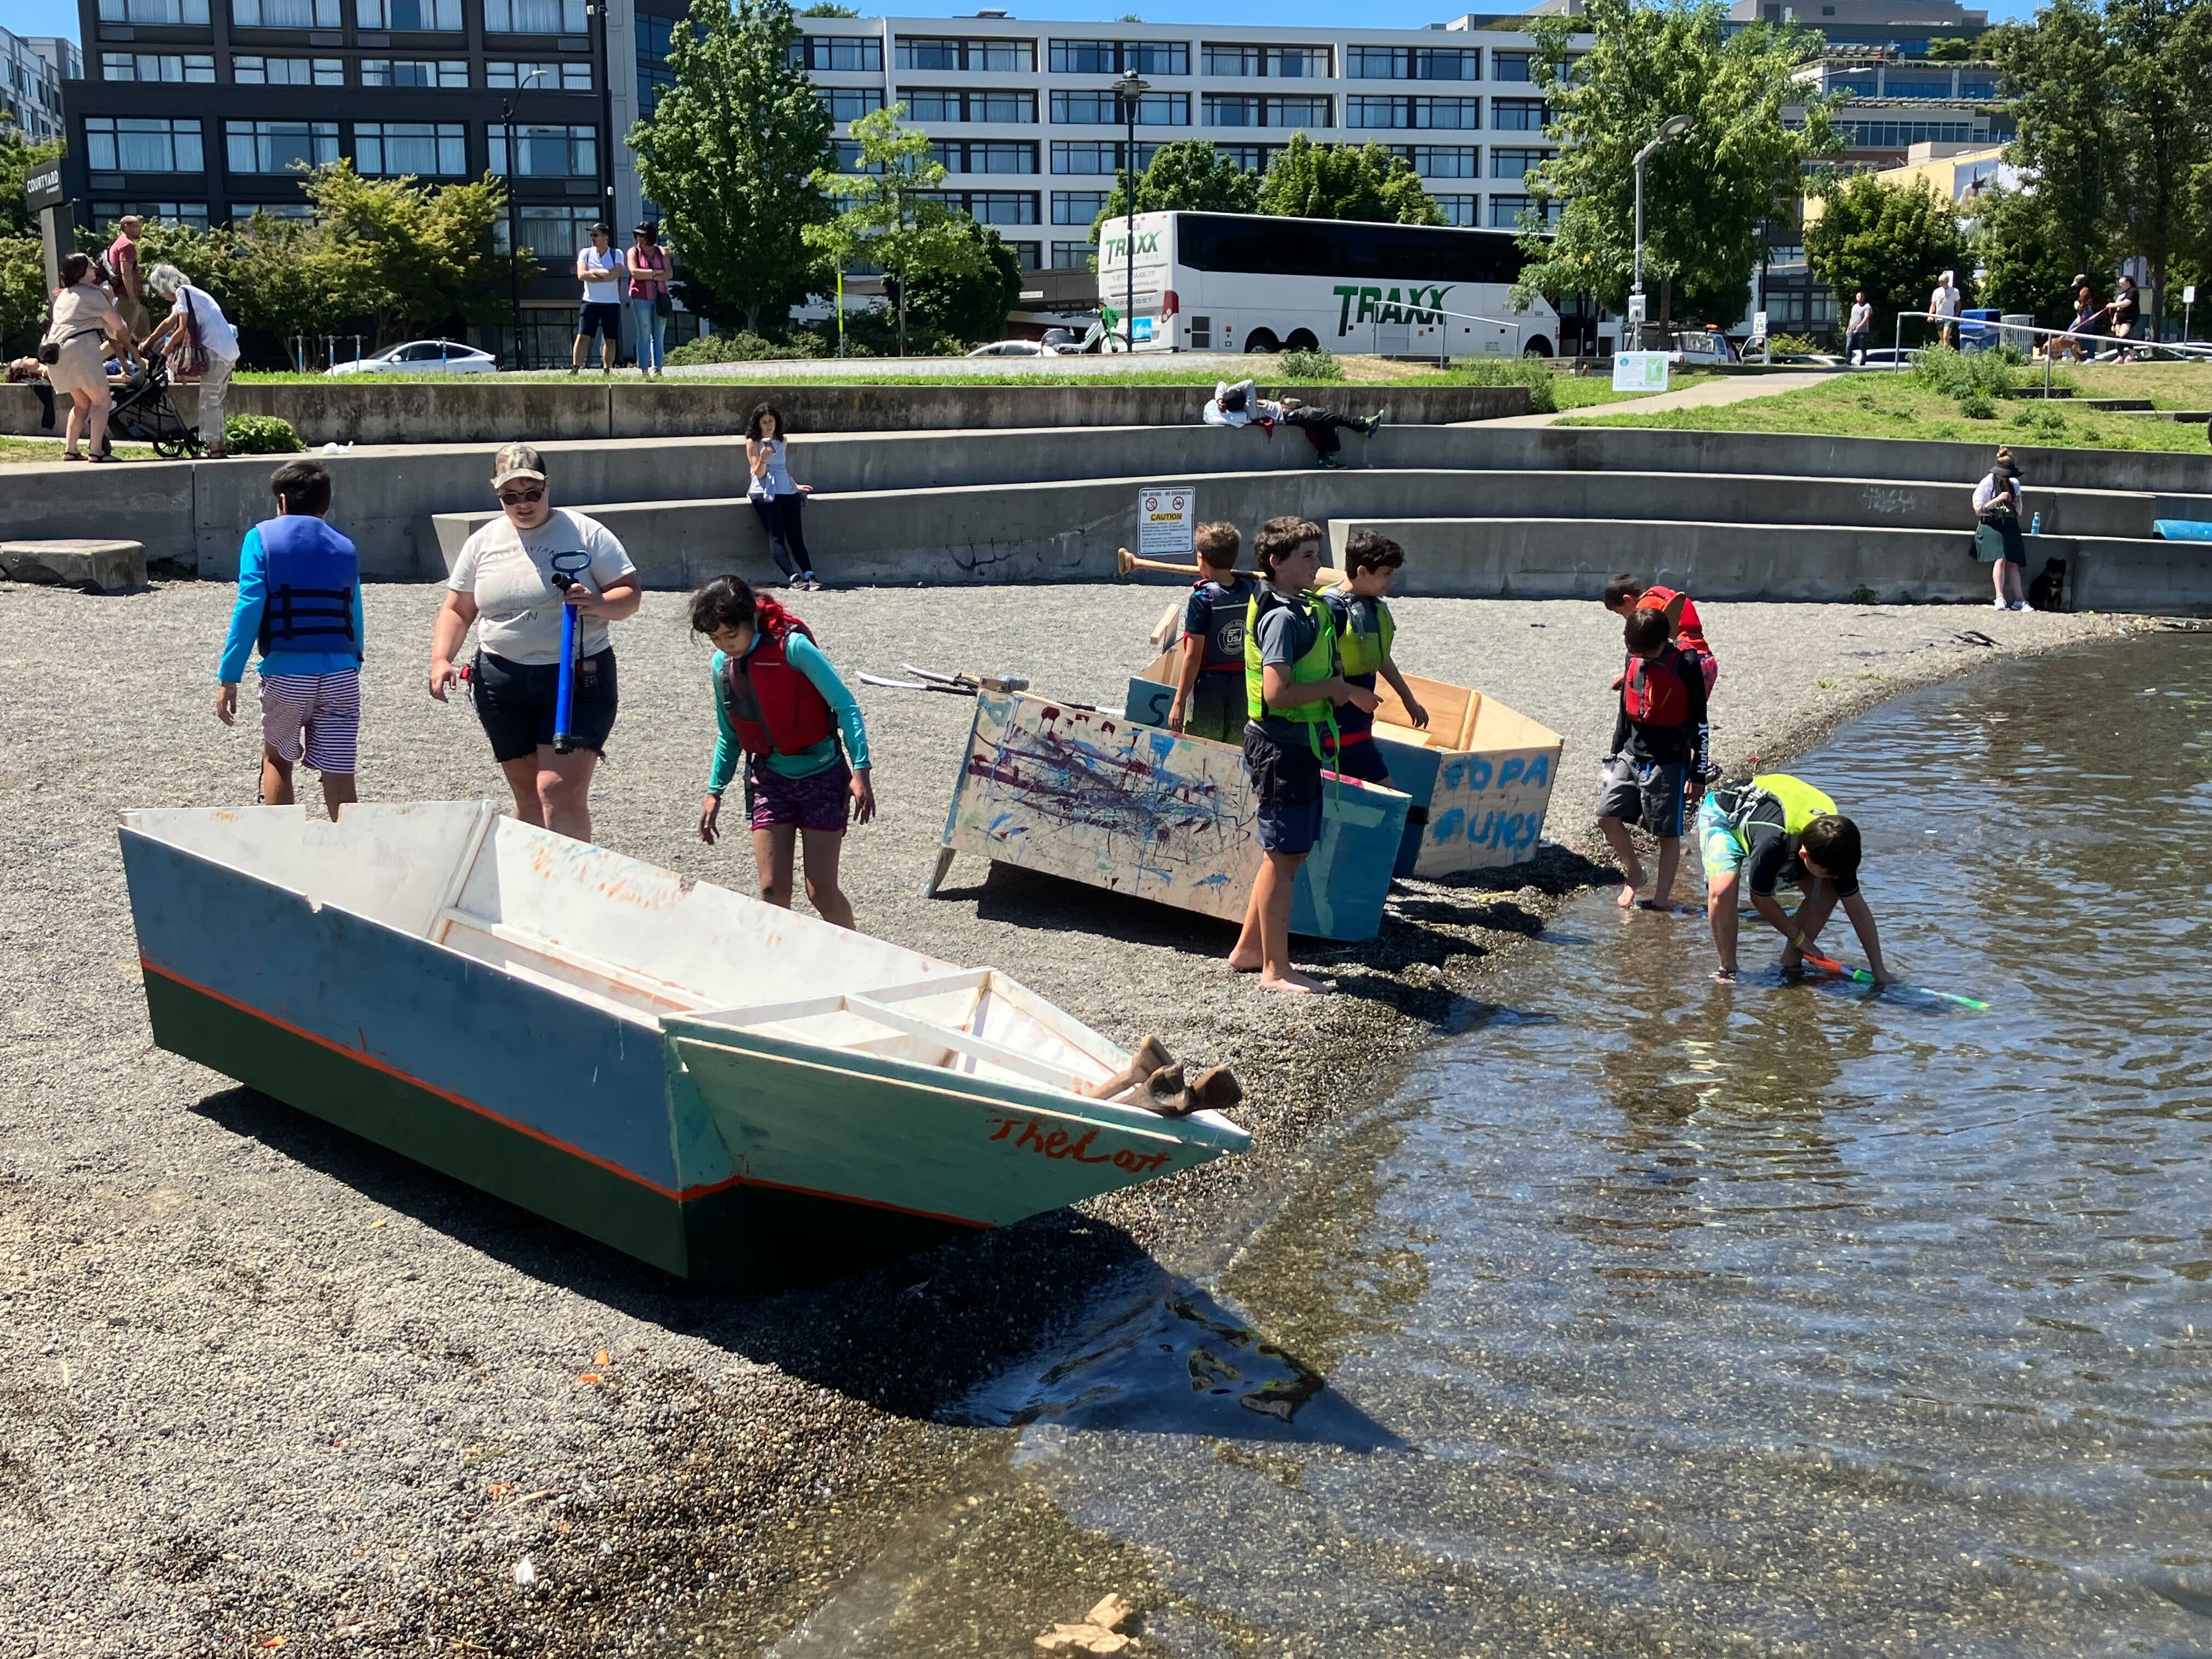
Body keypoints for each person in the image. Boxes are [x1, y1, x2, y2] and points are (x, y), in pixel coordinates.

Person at [430, 442, 641, 842]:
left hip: (577, 676)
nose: (522, 504)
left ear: (548, 488)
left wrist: (594, 603)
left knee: (557, 791)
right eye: (510, 496)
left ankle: (570, 886)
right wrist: (442, 659)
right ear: (499, 497)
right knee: (528, 796)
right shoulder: (484, 541)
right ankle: (531, 885)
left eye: (532, 493)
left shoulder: (584, 532)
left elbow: (629, 596)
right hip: (501, 680)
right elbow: (458, 609)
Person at [1227, 515, 1376, 994]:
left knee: (1287, 852)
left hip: (1296, 744)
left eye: (1318, 554)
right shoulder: (1281, 617)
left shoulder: (1301, 605)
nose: (1319, 565)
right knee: (1284, 854)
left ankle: (1250, 951)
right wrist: (1335, 687)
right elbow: (1275, 694)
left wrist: (1340, 691)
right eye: (1308, 557)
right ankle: (1276, 969)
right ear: (1276, 563)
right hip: (1279, 747)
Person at [691, 575, 876, 929]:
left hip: (821, 775)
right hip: (769, 780)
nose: (724, 646)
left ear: (750, 621)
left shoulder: (794, 649)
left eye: (730, 635)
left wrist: (860, 770)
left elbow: (846, 707)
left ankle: (855, 960)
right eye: (716, 639)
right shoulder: (722, 667)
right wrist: (714, 792)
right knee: (772, 891)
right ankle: (780, 970)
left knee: (820, 891)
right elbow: (730, 734)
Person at [213, 459, 363, 819]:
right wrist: (355, 660)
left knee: (278, 760)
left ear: (282, 500)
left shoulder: (261, 538)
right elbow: (353, 609)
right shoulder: (345, 546)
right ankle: (352, 852)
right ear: (326, 505)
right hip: (342, 673)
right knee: (339, 770)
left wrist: (229, 676)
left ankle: (283, 852)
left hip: (287, 673)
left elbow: (250, 606)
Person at [1697, 772, 1892, 986]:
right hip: (1726, 815)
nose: (1835, 878)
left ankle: (1791, 961)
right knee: (1723, 890)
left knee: (1828, 892)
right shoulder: (1772, 843)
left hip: (1784, 821)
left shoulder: (1837, 841)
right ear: (1804, 856)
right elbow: (1761, 899)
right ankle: (1728, 969)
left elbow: (1857, 908)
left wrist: (1879, 970)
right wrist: (1800, 939)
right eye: (1830, 873)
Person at [1598, 605, 1709, 912]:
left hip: (1669, 762)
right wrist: (1613, 753)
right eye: (1636, 651)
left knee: (1667, 833)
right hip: (1631, 753)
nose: (1643, 657)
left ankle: (1661, 901)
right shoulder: (1634, 655)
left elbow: (1700, 720)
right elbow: (1624, 711)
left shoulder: (1686, 663)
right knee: (1606, 816)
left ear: (1664, 640)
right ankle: (1636, 872)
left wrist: (1698, 774)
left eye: (1649, 651)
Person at [1321, 531, 1428, 786]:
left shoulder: (1371, 604)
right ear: (1363, 571)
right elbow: (1312, 669)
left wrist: (1408, 699)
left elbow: (1381, 658)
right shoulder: (1332, 610)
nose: (1391, 581)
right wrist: (1352, 693)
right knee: (1385, 792)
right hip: (1335, 726)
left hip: (1360, 724)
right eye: (1386, 573)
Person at [1167, 521, 1259, 743]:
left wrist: (1178, 701)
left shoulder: (1203, 598)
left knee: (1204, 752)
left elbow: (1193, 656)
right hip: (1243, 687)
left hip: (1209, 688)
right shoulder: (1250, 588)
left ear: (1201, 559)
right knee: (1237, 751)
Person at [41, 252, 134, 464]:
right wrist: (109, 298)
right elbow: (118, 325)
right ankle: (96, 452)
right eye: (91, 266)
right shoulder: (92, 296)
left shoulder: (64, 295)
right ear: (83, 273)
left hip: (56, 353)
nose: (95, 269)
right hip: (80, 351)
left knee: (82, 402)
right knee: (102, 401)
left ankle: (71, 450)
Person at [140, 262, 240, 459]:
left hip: (215, 351)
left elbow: (181, 327)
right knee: (215, 402)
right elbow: (169, 322)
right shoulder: (190, 294)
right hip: (227, 351)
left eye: (159, 289)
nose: (160, 294)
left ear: (165, 285)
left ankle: (214, 450)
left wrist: (166, 350)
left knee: (208, 402)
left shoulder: (183, 293)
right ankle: (219, 448)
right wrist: (150, 341)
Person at [1601, 573, 1719, 692]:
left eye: (1621, 613)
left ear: (1627, 599)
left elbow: (1641, 651)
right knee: (1693, 709)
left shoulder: (1645, 611)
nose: (1625, 618)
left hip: (1684, 665)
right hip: (1707, 662)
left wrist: (1629, 676)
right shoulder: (1660, 593)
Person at [745, 403, 819, 590]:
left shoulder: (783, 441)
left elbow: (782, 469)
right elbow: (759, 473)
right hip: (764, 492)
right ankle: (793, 577)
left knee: (796, 535)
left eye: (772, 421)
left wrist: (795, 485)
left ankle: (810, 574)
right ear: (758, 424)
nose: (769, 426)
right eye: (764, 422)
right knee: (776, 536)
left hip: (786, 490)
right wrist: (763, 458)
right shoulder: (753, 442)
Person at [1973, 445, 2030, 612]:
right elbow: (1978, 509)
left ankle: (2020, 600)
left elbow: (2019, 512)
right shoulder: (1987, 483)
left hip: (2010, 524)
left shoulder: (2014, 484)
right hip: (1991, 524)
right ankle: (2000, 597)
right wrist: (1997, 500)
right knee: (2001, 557)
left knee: (2013, 562)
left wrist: (2017, 503)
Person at [1274, 396, 1384, 470]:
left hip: (1291, 412)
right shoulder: (1259, 407)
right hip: (1290, 416)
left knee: (1328, 416)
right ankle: (1363, 426)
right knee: (1329, 417)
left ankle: (1363, 426)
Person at [571, 223, 620, 375]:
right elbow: (581, 275)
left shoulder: (616, 253)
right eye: (591, 235)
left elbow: (615, 275)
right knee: (583, 335)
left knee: (610, 339)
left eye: (596, 235)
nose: (592, 238)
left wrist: (593, 273)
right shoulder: (585, 253)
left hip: (611, 303)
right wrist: (604, 274)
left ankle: (607, 369)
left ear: (606, 237)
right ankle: (576, 368)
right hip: (590, 301)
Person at [627, 221, 670, 377]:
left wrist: (647, 274)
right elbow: (634, 272)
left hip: (660, 297)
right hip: (640, 297)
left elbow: (669, 274)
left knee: (658, 335)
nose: (639, 238)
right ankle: (643, 370)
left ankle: (658, 369)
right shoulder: (633, 252)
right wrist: (656, 273)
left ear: (650, 236)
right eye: (637, 235)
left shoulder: (661, 251)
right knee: (644, 333)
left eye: (643, 235)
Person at [107, 215, 148, 337]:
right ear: (126, 227)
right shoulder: (127, 245)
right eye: (136, 226)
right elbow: (126, 272)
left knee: (143, 332)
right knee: (122, 337)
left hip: (130, 298)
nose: (140, 229)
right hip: (127, 298)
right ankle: (100, 356)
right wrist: (132, 297)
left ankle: (141, 355)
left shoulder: (118, 243)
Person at [2109, 274, 2141, 360]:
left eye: (2122, 283)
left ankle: (2132, 352)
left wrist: (2113, 305)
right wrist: (2114, 323)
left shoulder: (2133, 291)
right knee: (2118, 337)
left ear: (2128, 282)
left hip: (2129, 316)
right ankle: (2120, 357)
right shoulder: (2122, 294)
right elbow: (2118, 309)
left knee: (2123, 335)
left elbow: (2127, 303)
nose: (2120, 286)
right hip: (2120, 317)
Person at [1929, 269, 1961, 349]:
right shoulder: (1937, 292)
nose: (1941, 284)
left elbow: (1958, 303)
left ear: (1947, 281)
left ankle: (1945, 357)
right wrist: (1930, 315)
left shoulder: (1955, 291)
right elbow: (1933, 304)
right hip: (1939, 318)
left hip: (1949, 317)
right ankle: (1951, 352)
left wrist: (1957, 314)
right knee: (1943, 339)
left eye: (1943, 282)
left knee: (1946, 336)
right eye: (1940, 282)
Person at [1845, 291, 1872, 366]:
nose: (1860, 298)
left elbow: (1867, 317)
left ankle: (1862, 364)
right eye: (1858, 296)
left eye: (1861, 296)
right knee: (1848, 347)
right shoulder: (1854, 307)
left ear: (1864, 297)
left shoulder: (1867, 306)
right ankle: (1847, 363)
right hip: (1852, 330)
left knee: (1862, 348)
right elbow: (1852, 318)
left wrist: (1860, 325)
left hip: (1862, 331)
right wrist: (1848, 328)